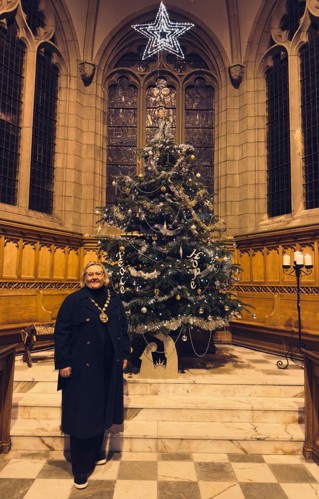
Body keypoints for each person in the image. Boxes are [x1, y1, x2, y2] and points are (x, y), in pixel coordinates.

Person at [54, 261, 130, 489]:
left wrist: (125, 353)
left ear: (105, 276)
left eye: (98, 273)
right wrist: (64, 362)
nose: (94, 277)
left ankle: (95, 453)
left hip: (108, 367)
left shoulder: (114, 300)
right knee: (82, 416)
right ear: (84, 277)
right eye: (90, 274)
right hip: (81, 368)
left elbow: (124, 329)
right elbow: (62, 333)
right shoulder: (74, 301)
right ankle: (80, 468)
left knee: (102, 411)